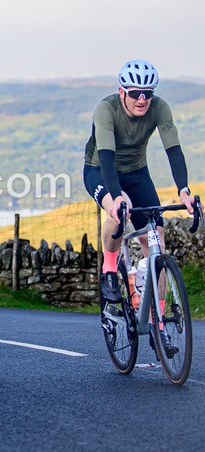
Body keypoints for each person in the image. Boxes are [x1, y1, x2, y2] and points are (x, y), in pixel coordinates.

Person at [84, 59, 195, 358]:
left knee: (156, 237)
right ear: (122, 92)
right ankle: (109, 268)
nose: (142, 99)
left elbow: (174, 149)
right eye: (135, 93)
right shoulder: (105, 110)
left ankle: (158, 324)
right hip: (101, 170)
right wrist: (116, 197)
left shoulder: (159, 108)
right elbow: (106, 156)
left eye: (147, 92)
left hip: (137, 173)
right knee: (116, 211)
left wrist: (183, 190)